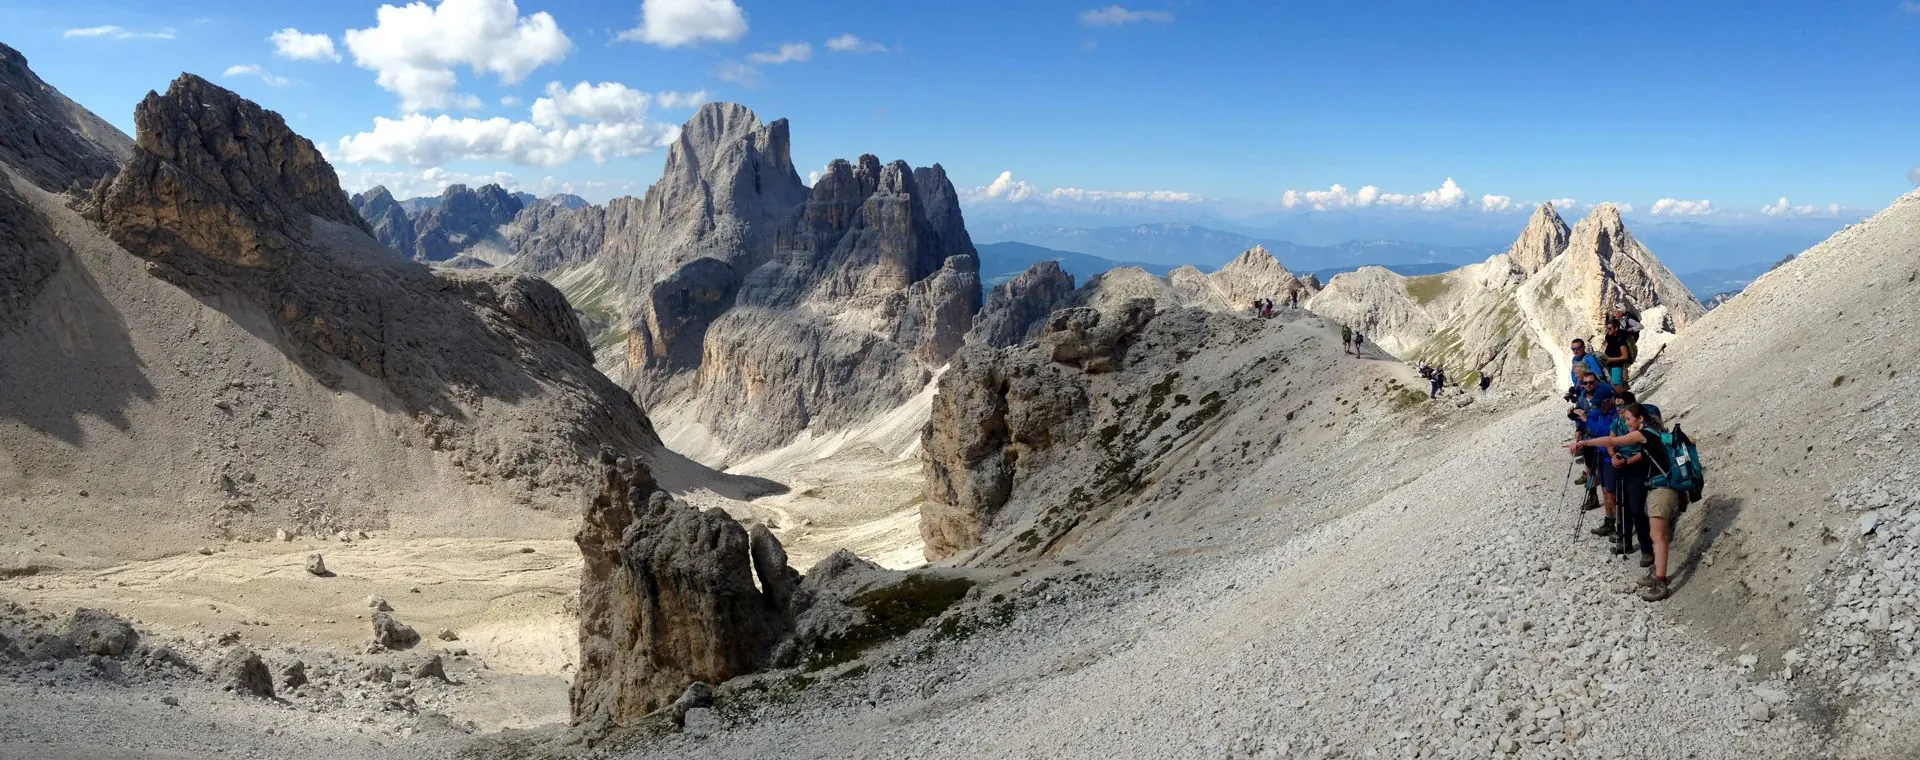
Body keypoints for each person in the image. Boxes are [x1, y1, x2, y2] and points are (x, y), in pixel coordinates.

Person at [1566, 402, 1681, 601]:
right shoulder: (1653, 432)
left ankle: (1660, 581)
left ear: (1640, 419)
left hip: (1661, 488)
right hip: (1660, 486)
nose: (1625, 422)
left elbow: (1612, 440)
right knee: (1657, 534)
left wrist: (1584, 443)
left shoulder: (1640, 434)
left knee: (1658, 536)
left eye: (1628, 419)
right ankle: (1657, 573)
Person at [1603, 321, 1632, 390]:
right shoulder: (1609, 336)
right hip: (1609, 364)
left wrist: (1610, 359)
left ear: (1616, 329)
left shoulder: (1621, 339)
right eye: (1607, 328)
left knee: (1617, 387)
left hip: (1617, 365)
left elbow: (1625, 356)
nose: (1608, 330)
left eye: (1610, 328)